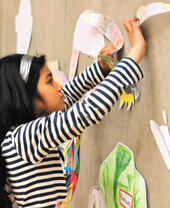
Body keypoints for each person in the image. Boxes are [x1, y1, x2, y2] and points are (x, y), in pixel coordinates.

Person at [0, 18, 146, 208]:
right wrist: (135, 54)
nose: (59, 85)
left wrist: (99, 69)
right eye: (50, 81)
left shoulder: (19, 136)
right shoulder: (24, 138)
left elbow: (65, 98)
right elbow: (85, 112)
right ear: (28, 99)